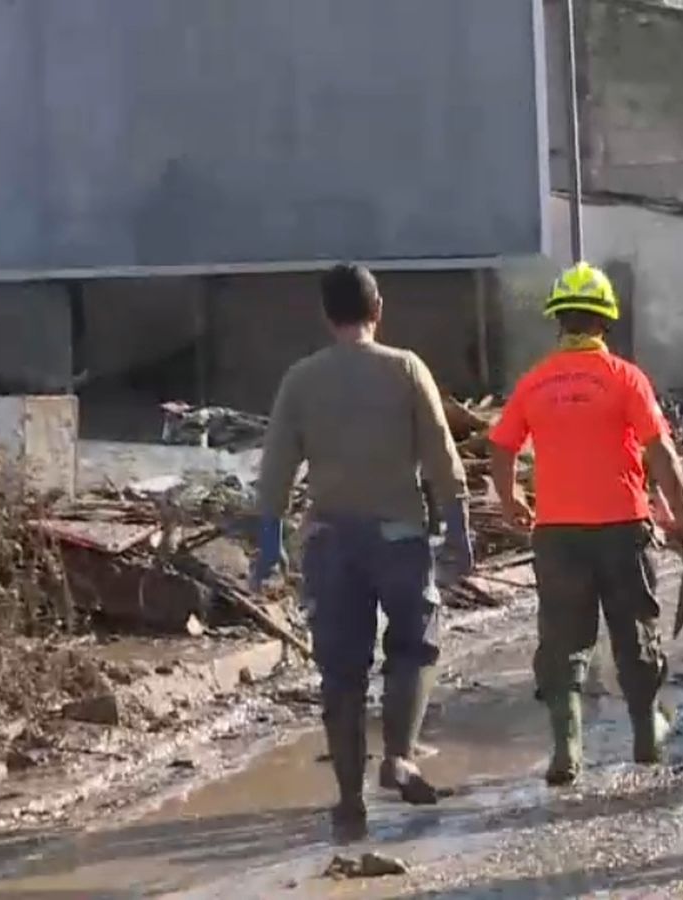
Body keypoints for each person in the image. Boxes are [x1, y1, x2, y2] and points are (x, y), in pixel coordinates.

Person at [252, 263, 475, 841]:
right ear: (379, 310)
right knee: (415, 646)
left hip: (331, 543)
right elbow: (441, 457)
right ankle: (399, 756)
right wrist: (458, 529)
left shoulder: (301, 379)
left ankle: (350, 804)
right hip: (399, 536)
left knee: (341, 672)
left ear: (328, 316)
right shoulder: (405, 368)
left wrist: (269, 541)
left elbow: (275, 467)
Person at [487, 262, 683, 788]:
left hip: (557, 534)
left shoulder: (535, 381)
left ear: (559, 321)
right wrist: (681, 513)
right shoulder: (625, 378)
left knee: (562, 640)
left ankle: (567, 749)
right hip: (622, 528)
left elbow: (502, 444)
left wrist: (511, 498)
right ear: (607, 322)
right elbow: (661, 451)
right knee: (635, 633)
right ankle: (646, 734)